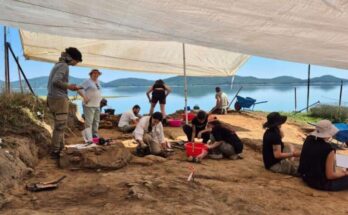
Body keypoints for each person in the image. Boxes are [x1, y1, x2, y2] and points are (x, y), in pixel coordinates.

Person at [47, 47, 83, 159]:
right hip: (59, 100)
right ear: (72, 58)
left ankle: (60, 148)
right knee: (60, 127)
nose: (76, 64)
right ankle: (55, 151)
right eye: (77, 61)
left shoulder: (57, 64)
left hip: (52, 98)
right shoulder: (64, 66)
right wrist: (70, 86)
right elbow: (56, 81)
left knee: (59, 126)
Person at [298, 120, 348, 191]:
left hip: (306, 177)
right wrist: (344, 173)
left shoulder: (309, 139)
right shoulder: (328, 149)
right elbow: (330, 176)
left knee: (339, 161)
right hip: (320, 183)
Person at [78, 69, 103, 138]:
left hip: (97, 105)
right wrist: (84, 97)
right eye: (94, 73)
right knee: (89, 122)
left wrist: (99, 100)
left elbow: (97, 92)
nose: (96, 75)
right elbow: (79, 89)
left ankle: (95, 135)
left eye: (97, 73)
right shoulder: (88, 81)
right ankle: (88, 137)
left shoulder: (98, 82)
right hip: (89, 105)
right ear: (91, 74)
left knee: (96, 121)